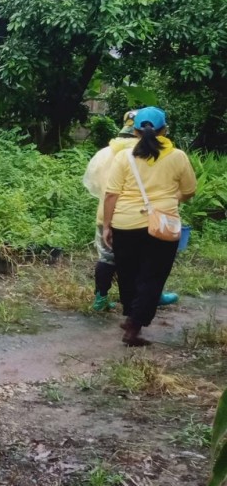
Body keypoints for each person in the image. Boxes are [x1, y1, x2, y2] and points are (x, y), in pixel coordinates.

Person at [102, 107, 196, 346]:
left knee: (128, 272)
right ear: (164, 129)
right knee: (153, 276)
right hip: (162, 225)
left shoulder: (124, 157)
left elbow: (111, 194)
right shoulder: (177, 157)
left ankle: (131, 315)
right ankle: (134, 324)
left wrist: (107, 226)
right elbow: (189, 191)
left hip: (125, 223)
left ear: (134, 131)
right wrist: (170, 200)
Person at [84, 111, 179, 311]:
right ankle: (149, 299)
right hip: (145, 216)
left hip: (107, 214)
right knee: (149, 261)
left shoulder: (105, 152)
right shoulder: (156, 153)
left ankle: (100, 299)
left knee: (106, 257)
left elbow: (93, 185)